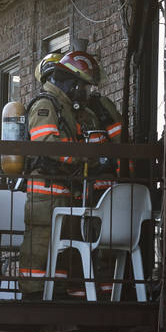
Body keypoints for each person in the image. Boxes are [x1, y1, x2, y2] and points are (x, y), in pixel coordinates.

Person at [20, 50, 122, 297]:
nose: (85, 93)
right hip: (46, 190)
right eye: (83, 87)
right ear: (72, 83)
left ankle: (58, 291)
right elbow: (47, 142)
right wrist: (84, 157)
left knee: (64, 247)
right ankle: (33, 294)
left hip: (67, 190)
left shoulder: (72, 109)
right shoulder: (45, 105)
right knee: (41, 245)